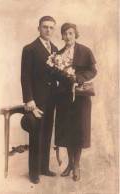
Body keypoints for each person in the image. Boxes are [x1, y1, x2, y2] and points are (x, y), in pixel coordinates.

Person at [54, 23, 97, 181]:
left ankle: (77, 165)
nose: (68, 36)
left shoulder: (85, 51)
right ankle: (70, 163)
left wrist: (77, 78)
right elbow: (55, 75)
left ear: (75, 34)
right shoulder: (58, 54)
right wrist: (63, 75)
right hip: (64, 98)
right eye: (65, 34)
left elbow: (93, 70)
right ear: (62, 36)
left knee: (78, 131)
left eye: (71, 33)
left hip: (80, 98)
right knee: (67, 131)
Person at [20, 16, 58, 184]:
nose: (48, 30)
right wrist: (30, 102)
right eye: (45, 27)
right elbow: (25, 77)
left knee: (47, 133)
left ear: (54, 30)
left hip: (51, 99)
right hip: (37, 100)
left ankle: (44, 167)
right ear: (39, 29)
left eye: (51, 27)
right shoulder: (29, 49)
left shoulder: (55, 49)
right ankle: (34, 172)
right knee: (36, 133)